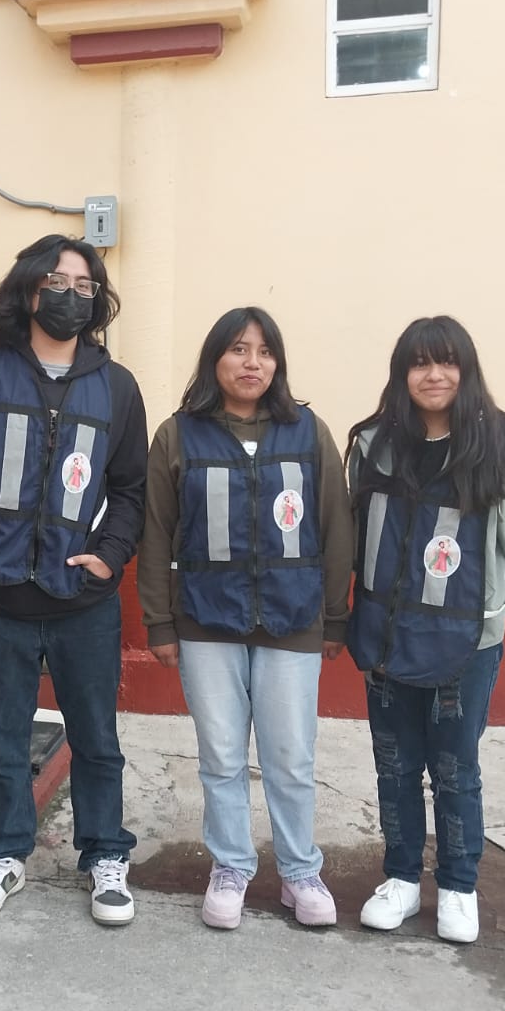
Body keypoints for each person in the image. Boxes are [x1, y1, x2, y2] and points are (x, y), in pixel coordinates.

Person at [0, 233, 148, 925]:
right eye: (58, 281)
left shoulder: (117, 387)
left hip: (84, 600)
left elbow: (132, 490)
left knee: (97, 737)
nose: (71, 296)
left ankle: (105, 854)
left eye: (85, 286)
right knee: (2, 736)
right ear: (29, 290)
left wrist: (109, 556)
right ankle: (1, 853)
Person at [137, 307, 353, 931]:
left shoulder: (307, 433)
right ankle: (230, 866)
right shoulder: (178, 436)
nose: (251, 363)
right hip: (206, 621)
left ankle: (299, 870)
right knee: (222, 755)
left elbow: (336, 527)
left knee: (290, 756)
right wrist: (160, 622)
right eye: (237, 349)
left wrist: (334, 617)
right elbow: (157, 533)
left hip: (293, 619)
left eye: (264, 351)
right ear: (215, 360)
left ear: (277, 363)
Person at [345, 315, 505, 944]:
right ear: (401, 373)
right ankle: (402, 879)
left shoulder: (502, 448)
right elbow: (354, 532)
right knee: (395, 765)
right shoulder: (373, 445)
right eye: (420, 362)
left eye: (447, 361)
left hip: (466, 645)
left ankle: (459, 887)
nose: (434, 375)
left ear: (467, 369)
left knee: (456, 769)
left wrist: (490, 613)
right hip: (386, 637)